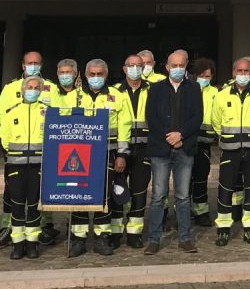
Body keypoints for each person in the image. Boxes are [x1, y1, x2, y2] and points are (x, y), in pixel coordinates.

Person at [55, 58, 132, 257]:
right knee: (78, 194)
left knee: (103, 195)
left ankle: (101, 237)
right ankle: (78, 239)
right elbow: (62, 124)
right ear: (85, 75)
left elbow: (124, 127)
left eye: (99, 74)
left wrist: (122, 154)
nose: (95, 78)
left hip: (108, 153)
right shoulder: (74, 97)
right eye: (92, 74)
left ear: (105, 75)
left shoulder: (117, 96)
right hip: (79, 155)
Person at [0, 51, 58, 249]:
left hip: (41, 157)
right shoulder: (10, 87)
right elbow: (1, 116)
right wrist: (10, 146)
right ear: (22, 65)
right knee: (13, 195)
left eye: (36, 63)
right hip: (16, 155)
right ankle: (10, 230)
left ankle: (42, 228)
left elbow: (58, 118)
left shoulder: (51, 88)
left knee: (38, 195)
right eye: (29, 63)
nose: (33, 66)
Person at [144, 48, 203, 254]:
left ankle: (185, 238)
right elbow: (151, 118)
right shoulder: (156, 89)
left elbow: (197, 118)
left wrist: (181, 136)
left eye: (181, 65)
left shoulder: (194, 88)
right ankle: (154, 239)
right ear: (167, 67)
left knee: (183, 196)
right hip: (160, 148)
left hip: (184, 148)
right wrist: (169, 136)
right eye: (174, 65)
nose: (177, 69)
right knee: (158, 195)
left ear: (186, 66)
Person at [213, 58, 250, 246]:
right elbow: (216, 121)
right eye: (240, 71)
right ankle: (223, 229)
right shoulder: (222, 95)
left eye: (247, 71)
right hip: (230, 150)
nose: (244, 74)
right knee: (225, 189)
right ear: (233, 72)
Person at [0, 74, 47, 260]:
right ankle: (18, 244)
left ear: (41, 90)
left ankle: (32, 243)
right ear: (22, 90)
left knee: (34, 205)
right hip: (16, 165)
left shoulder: (47, 112)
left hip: (39, 165)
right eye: (30, 87)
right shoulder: (12, 113)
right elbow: (4, 138)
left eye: (36, 88)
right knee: (17, 205)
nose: (33, 91)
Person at [110, 53, 153, 248]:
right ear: (124, 68)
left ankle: (134, 232)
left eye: (139, 65)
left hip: (144, 148)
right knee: (117, 190)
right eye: (131, 65)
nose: (135, 69)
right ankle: (115, 231)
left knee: (139, 191)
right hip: (121, 149)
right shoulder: (115, 92)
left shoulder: (153, 90)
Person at [190, 57, 217, 226]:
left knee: (201, 178)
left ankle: (201, 212)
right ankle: (183, 212)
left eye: (207, 76)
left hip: (205, 142)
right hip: (187, 141)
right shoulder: (188, 90)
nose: (204, 79)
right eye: (201, 75)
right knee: (184, 180)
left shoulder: (216, 93)